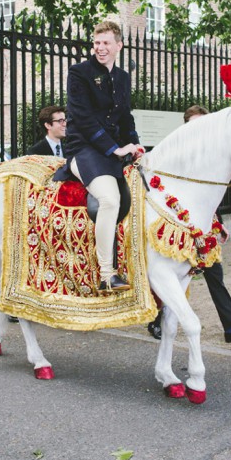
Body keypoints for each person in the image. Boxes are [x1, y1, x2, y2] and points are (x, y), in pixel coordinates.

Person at [147, 105, 231, 344]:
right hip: (175, 222)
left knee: (214, 273)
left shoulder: (209, 153)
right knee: (165, 271)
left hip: (201, 225)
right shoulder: (178, 152)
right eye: (197, 123)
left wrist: (216, 223)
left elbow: (207, 198)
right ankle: (157, 321)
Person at [64, 20, 142, 291]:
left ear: (118, 45)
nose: (100, 48)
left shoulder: (122, 77)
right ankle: (107, 275)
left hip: (112, 150)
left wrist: (134, 143)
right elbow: (83, 119)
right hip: (84, 149)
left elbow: (125, 116)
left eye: (106, 43)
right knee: (109, 200)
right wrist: (115, 149)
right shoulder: (79, 73)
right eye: (97, 43)